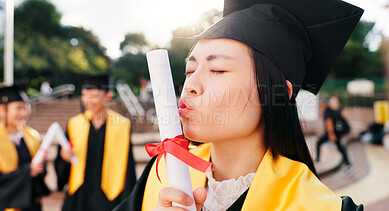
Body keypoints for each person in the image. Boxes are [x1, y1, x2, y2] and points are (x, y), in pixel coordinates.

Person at [115, 0, 364, 210]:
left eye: (217, 69)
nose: (190, 84)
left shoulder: (317, 205)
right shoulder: (163, 175)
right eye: (190, 70)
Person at [55, 74, 137, 211]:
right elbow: (62, 159)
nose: (88, 101)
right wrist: (64, 158)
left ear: (108, 96)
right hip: (80, 194)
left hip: (110, 194)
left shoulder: (122, 125)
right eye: (84, 95)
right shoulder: (74, 124)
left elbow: (128, 165)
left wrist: (129, 198)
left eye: (93, 96)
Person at [0, 83, 50, 211]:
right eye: (18, 108)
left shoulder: (32, 135)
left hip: (31, 205)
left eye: (26, 107)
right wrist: (28, 171)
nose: (24, 113)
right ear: (3, 110)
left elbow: (40, 176)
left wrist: (41, 167)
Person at [315, 96, 352, 171]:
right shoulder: (339, 110)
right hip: (337, 133)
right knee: (340, 148)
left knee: (319, 143)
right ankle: (348, 165)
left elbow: (329, 122)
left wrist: (331, 134)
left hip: (332, 133)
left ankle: (318, 160)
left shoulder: (328, 110)